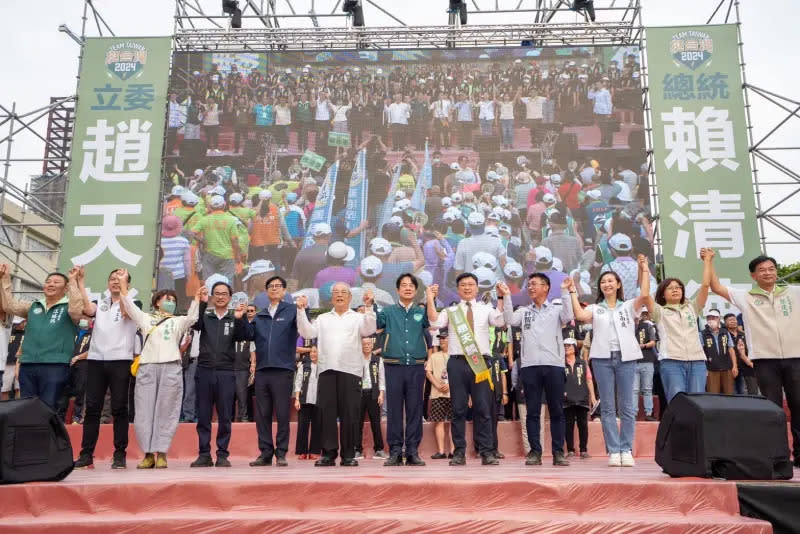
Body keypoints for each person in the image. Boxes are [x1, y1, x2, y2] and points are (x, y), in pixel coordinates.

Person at [705, 249, 800, 467]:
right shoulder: (745, 297)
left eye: (771, 269)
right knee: (773, 410)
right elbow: (716, 287)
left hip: (796, 357)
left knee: (798, 406)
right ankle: (778, 458)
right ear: (753, 276)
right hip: (765, 360)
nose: (768, 273)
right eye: (762, 270)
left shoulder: (793, 293)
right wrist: (709, 261)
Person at [570, 256, 650, 467]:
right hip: (602, 359)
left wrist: (644, 269)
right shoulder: (597, 309)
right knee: (607, 407)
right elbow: (579, 314)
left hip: (626, 359)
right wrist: (571, 292)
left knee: (627, 406)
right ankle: (614, 450)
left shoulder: (629, 306)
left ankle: (626, 449)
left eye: (610, 281)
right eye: (603, 282)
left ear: (618, 284)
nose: (607, 284)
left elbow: (644, 294)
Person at [119, 274, 204, 469]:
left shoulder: (178, 321)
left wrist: (197, 298)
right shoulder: (146, 319)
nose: (171, 303)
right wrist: (123, 285)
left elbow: (192, 317)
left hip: (171, 367)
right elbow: (130, 308)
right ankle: (148, 454)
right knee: (144, 411)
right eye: (167, 299)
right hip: (148, 367)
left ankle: (162, 453)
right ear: (157, 302)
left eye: (174, 301)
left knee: (167, 410)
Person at [426, 274, 506, 466]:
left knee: (483, 408)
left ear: (477, 288)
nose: (467, 288)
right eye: (463, 285)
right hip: (457, 363)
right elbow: (435, 323)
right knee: (458, 409)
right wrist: (430, 298)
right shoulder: (451, 310)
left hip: (480, 362)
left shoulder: (486, 308)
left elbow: (499, 321)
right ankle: (459, 452)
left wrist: (502, 298)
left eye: (471, 284)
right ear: (458, 289)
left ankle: (487, 451)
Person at [296, 284, 376, 466]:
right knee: (326, 414)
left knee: (350, 414)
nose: (340, 295)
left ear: (350, 297)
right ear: (331, 298)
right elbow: (306, 332)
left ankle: (348, 455)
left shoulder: (358, 317)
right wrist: (301, 311)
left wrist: (369, 306)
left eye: (344, 293)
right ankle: (329, 453)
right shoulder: (323, 318)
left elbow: (370, 329)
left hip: (351, 371)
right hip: (326, 370)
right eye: (336, 293)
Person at [498, 274, 574, 467]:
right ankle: (535, 452)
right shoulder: (524, 312)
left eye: (534, 284)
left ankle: (558, 452)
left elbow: (569, 316)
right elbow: (509, 319)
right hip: (530, 366)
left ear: (546, 287)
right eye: (529, 284)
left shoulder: (556, 310)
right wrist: (506, 296)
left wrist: (565, 291)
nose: (530, 288)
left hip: (554, 365)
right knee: (532, 412)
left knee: (556, 411)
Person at [74, 269, 139, 470]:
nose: (115, 282)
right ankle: (86, 454)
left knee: (119, 408)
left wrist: (124, 287)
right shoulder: (101, 303)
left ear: (127, 283)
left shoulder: (133, 304)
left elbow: (128, 312)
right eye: (112, 279)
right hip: (96, 360)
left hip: (120, 360)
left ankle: (119, 455)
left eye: (120, 279)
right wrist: (81, 282)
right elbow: (86, 308)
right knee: (92, 408)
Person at [0, 264, 83, 411]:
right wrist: (5, 279)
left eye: (56, 282)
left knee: (49, 408)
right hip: (28, 364)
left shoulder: (69, 308)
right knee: (27, 407)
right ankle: (29, 434)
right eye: (48, 281)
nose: (51, 284)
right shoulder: (33, 306)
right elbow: (9, 306)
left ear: (65, 289)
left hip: (55, 365)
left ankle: (51, 435)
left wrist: (73, 281)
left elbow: (77, 310)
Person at [190, 282, 249, 468]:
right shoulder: (206, 316)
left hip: (226, 372)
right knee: (204, 415)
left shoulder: (234, 317)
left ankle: (222, 454)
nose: (221, 297)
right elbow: (194, 323)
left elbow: (244, 336)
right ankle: (204, 454)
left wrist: (241, 319)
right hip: (205, 370)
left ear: (230, 297)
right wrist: (200, 302)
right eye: (217, 294)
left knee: (225, 416)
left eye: (224, 294)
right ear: (212, 297)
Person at [246, 275, 300, 467]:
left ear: (284, 291)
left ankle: (282, 452)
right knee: (262, 414)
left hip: (283, 369)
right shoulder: (260, 316)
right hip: (262, 370)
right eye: (271, 286)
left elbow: (303, 329)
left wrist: (301, 309)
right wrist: (241, 319)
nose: (274, 289)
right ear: (266, 291)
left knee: (283, 413)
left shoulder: (292, 310)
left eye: (278, 286)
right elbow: (248, 334)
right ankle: (265, 452)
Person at [376, 273, 430, 467]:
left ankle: (413, 451)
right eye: (404, 285)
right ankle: (396, 451)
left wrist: (431, 300)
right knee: (394, 411)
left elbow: (433, 323)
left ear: (416, 291)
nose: (408, 288)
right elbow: (375, 325)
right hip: (393, 365)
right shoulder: (388, 311)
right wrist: (368, 307)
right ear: (397, 290)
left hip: (416, 366)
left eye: (411, 286)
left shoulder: (421, 312)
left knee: (415, 409)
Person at [644, 273, 709, 403]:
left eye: (678, 287)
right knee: (677, 403)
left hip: (697, 362)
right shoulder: (659, 311)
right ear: (663, 293)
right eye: (670, 287)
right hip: (671, 362)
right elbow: (645, 295)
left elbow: (706, 285)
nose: (675, 289)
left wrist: (708, 260)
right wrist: (645, 269)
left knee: (698, 403)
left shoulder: (692, 308)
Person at [354, 336, 386, 460]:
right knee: (357, 423)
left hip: (373, 394)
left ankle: (379, 449)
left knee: (376, 423)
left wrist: (381, 394)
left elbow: (382, 378)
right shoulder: (356, 360)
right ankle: (357, 450)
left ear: (372, 345)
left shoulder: (378, 360)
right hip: (359, 394)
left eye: (368, 344)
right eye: (364, 344)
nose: (366, 346)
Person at [563, 337, 595, 459]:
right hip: (566, 398)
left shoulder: (582, 362)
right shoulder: (561, 363)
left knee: (583, 424)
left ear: (575, 348)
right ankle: (570, 450)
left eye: (569, 346)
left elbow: (589, 379)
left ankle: (583, 450)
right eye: (565, 346)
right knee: (568, 424)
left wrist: (592, 396)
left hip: (582, 397)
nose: (566, 348)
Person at [426, 330, 454, 459]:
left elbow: (460, 375)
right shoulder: (434, 356)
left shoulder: (456, 356)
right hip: (437, 393)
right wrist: (437, 384)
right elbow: (428, 372)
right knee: (439, 422)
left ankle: (454, 451)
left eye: (445, 338)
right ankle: (441, 451)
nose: (442, 341)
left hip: (454, 393)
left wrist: (451, 384)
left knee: (455, 422)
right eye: (441, 339)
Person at [294, 344, 322, 459]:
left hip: (319, 401)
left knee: (317, 426)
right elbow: (298, 383)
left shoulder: (323, 367)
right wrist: (297, 399)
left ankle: (314, 451)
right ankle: (302, 451)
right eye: (311, 352)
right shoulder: (304, 366)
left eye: (315, 352)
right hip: (304, 400)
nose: (313, 354)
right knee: (302, 427)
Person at [701, 309, 737, 395]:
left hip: (727, 368)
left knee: (729, 394)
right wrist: (703, 368)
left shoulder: (725, 332)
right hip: (711, 369)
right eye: (709, 318)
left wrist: (735, 366)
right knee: (713, 395)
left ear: (718, 319)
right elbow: (701, 352)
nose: (711, 320)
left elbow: (731, 350)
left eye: (713, 318)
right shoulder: (702, 334)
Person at [233, 305, 257, 422]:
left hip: (243, 369)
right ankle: (230, 417)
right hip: (230, 368)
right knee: (229, 396)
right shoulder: (232, 333)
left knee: (242, 396)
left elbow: (252, 351)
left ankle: (243, 417)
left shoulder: (249, 335)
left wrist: (253, 365)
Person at [725, 313, 758, 395]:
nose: (733, 322)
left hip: (747, 369)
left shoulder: (745, 335)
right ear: (725, 323)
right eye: (730, 320)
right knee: (734, 394)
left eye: (734, 319)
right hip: (732, 369)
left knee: (753, 393)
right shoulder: (724, 336)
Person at [634, 309, 658, 421]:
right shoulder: (628, 327)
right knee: (634, 390)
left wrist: (643, 345)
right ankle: (633, 413)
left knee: (647, 389)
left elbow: (653, 341)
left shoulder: (648, 326)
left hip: (647, 361)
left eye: (639, 315)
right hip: (633, 362)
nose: (637, 317)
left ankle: (649, 413)